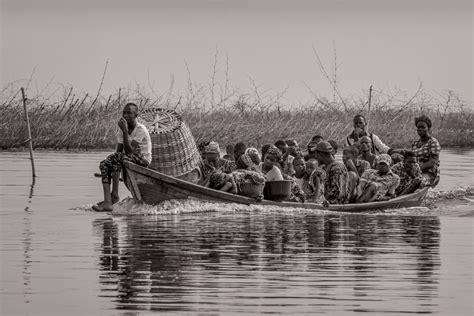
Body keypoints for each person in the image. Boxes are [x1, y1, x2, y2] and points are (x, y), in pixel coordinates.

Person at [93, 103, 152, 212]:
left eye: (129, 113)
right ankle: (108, 200)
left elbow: (129, 152)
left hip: (142, 159)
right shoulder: (122, 128)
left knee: (117, 158)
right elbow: (119, 151)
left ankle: (114, 196)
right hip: (127, 157)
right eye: (124, 113)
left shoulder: (140, 129)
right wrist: (110, 167)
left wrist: (125, 131)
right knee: (104, 164)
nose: (125, 115)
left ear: (136, 115)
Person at [412, 115, 441, 187]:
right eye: (418, 127)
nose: (420, 129)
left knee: (419, 182)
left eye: (423, 127)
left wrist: (417, 170)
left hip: (429, 172)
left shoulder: (433, 142)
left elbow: (432, 162)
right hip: (416, 171)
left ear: (428, 129)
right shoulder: (415, 144)